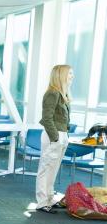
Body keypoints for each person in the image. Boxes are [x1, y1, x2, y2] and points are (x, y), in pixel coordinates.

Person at [35, 64, 72, 213]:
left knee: (53, 169)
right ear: (61, 75)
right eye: (69, 73)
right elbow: (46, 118)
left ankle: (49, 198)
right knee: (46, 168)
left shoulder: (63, 94)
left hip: (61, 135)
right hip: (53, 135)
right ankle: (42, 202)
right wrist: (55, 137)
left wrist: (63, 136)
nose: (72, 76)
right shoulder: (52, 93)